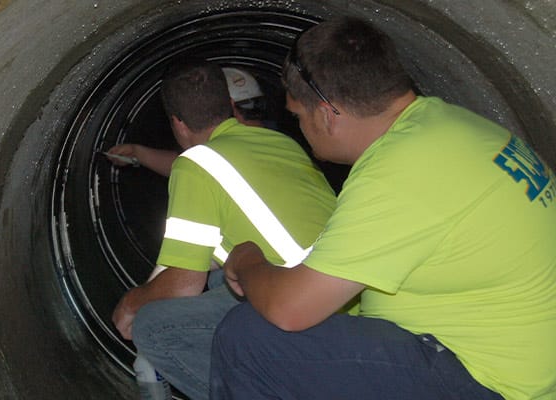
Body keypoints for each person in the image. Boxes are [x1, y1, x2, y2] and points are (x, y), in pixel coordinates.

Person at [210, 17, 556, 400]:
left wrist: (246, 260)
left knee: (250, 339)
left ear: (326, 113)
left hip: (490, 383)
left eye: (299, 116)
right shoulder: (453, 125)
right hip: (519, 363)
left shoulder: (399, 168)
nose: (301, 129)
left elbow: (289, 309)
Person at [111, 59, 337, 400]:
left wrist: (131, 304)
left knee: (154, 326)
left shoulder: (196, 165)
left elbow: (185, 284)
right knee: (220, 280)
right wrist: (142, 155)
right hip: (340, 295)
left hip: (302, 309)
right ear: (229, 105)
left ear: (178, 124)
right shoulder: (278, 144)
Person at [104, 67, 270, 176]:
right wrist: (137, 153)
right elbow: (189, 164)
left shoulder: (205, 171)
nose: (246, 118)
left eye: (252, 109)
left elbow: (194, 168)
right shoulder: (283, 146)